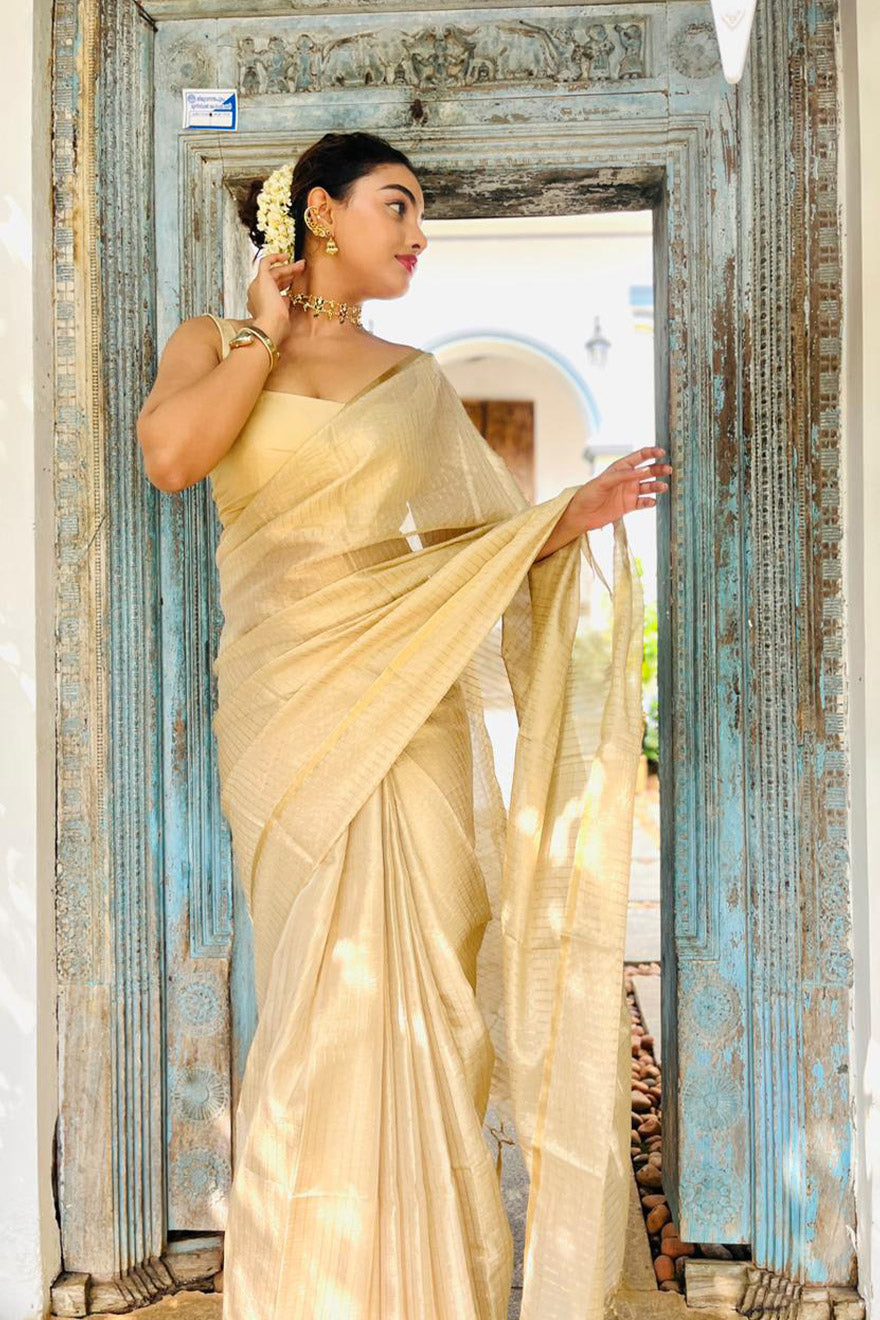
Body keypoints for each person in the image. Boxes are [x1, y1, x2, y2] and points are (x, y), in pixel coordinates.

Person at [137, 130, 672, 1320]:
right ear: (321, 212)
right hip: (286, 705)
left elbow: (474, 542)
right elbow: (172, 458)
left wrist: (573, 511)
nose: (420, 235)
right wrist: (266, 334)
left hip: (408, 710)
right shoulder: (211, 344)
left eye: (421, 213)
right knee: (313, 996)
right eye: (399, 205)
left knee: (424, 993)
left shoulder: (415, 380)